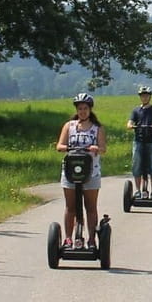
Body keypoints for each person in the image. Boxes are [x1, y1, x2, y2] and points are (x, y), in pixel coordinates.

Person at [56, 93, 107, 250]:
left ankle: (91, 239)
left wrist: (96, 148)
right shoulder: (69, 126)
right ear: (76, 110)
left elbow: (103, 149)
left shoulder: (97, 128)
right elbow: (59, 146)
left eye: (85, 108)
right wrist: (69, 147)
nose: (82, 111)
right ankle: (68, 239)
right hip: (70, 172)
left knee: (90, 207)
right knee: (70, 207)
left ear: (90, 109)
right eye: (80, 109)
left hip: (91, 172)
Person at [126, 86, 152, 200]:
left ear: (150, 97)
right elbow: (129, 123)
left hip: (151, 141)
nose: (144, 97)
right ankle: (138, 190)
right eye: (142, 95)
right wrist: (131, 125)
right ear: (140, 97)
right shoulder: (136, 110)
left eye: (146, 95)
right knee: (136, 164)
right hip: (138, 141)